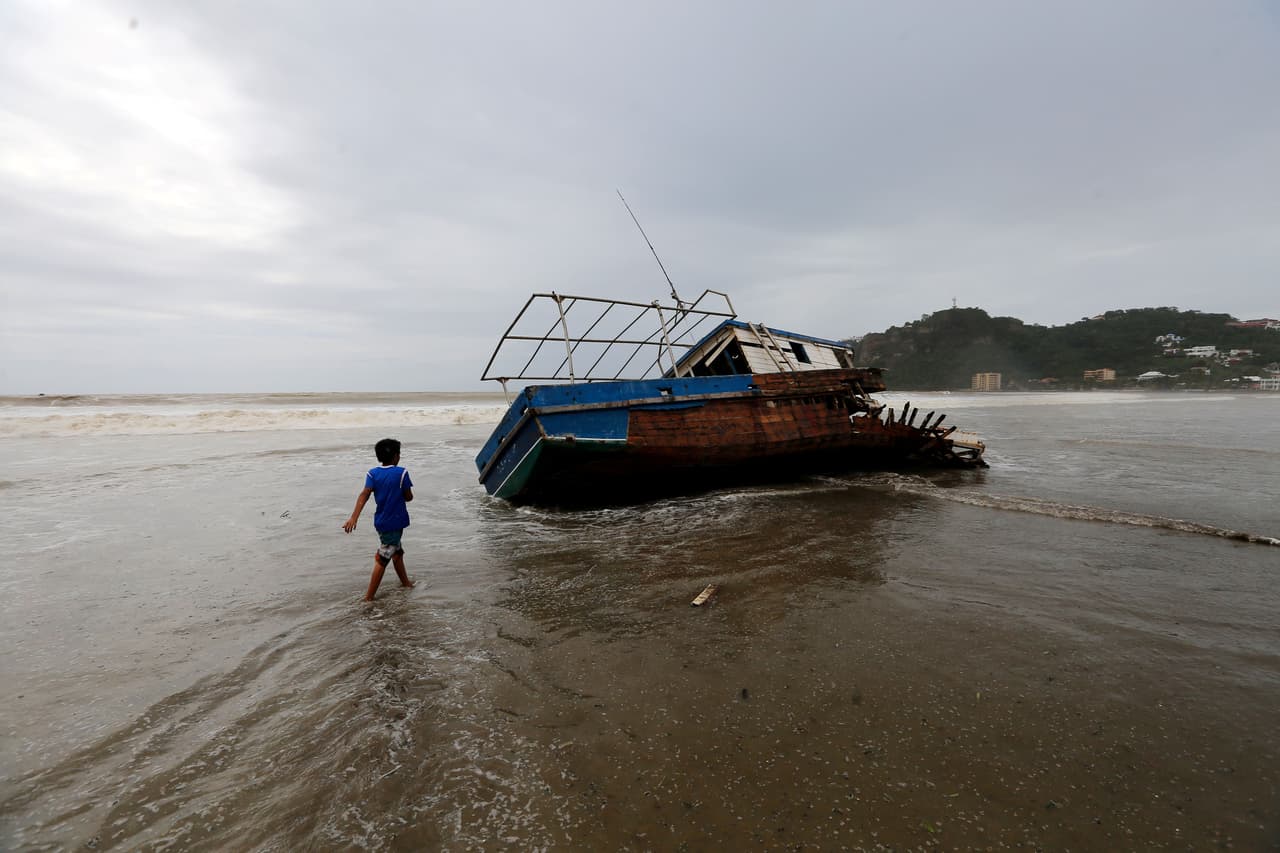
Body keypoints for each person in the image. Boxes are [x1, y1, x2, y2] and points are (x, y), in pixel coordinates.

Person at [343, 438, 416, 601]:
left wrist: (353, 517)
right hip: (395, 521)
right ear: (397, 456)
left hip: (382, 521)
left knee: (397, 552)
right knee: (383, 557)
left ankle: (406, 583)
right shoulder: (402, 473)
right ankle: (368, 598)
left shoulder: (372, 473)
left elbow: (365, 494)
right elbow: (408, 497)